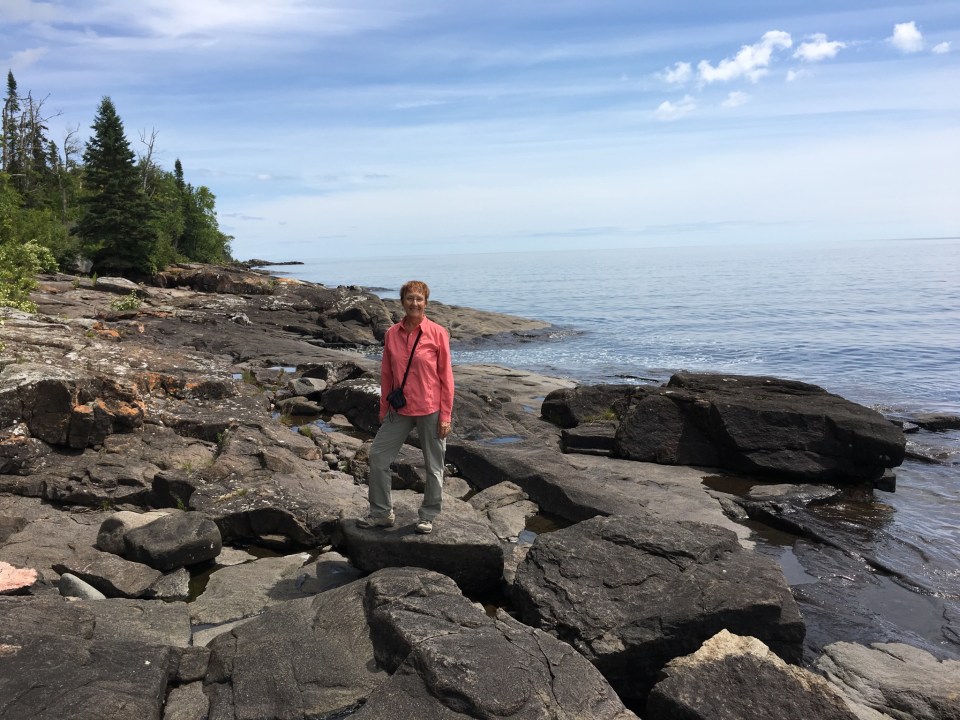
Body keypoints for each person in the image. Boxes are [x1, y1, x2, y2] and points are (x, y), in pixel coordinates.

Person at [357, 280, 454, 534]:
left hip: (430, 408)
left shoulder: (438, 333)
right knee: (378, 457)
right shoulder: (392, 334)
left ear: (426, 302)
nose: (414, 303)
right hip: (398, 409)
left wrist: (446, 415)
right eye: (410, 298)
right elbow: (387, 373)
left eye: (419, 299)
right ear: (402, 302)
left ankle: (428, 515)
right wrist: (382, 407)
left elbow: (446, 377)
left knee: (434, 466)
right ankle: (381, 514)